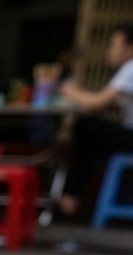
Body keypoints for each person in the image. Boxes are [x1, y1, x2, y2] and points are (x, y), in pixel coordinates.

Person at [57, 23, 133, 217]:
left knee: (85, 127)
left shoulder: (130, 68)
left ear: (129, 47)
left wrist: (70, 90)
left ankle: (71, 197)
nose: (110, 50)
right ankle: (73, 198)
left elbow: (97, 102)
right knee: (91, 134)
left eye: (114, 44)